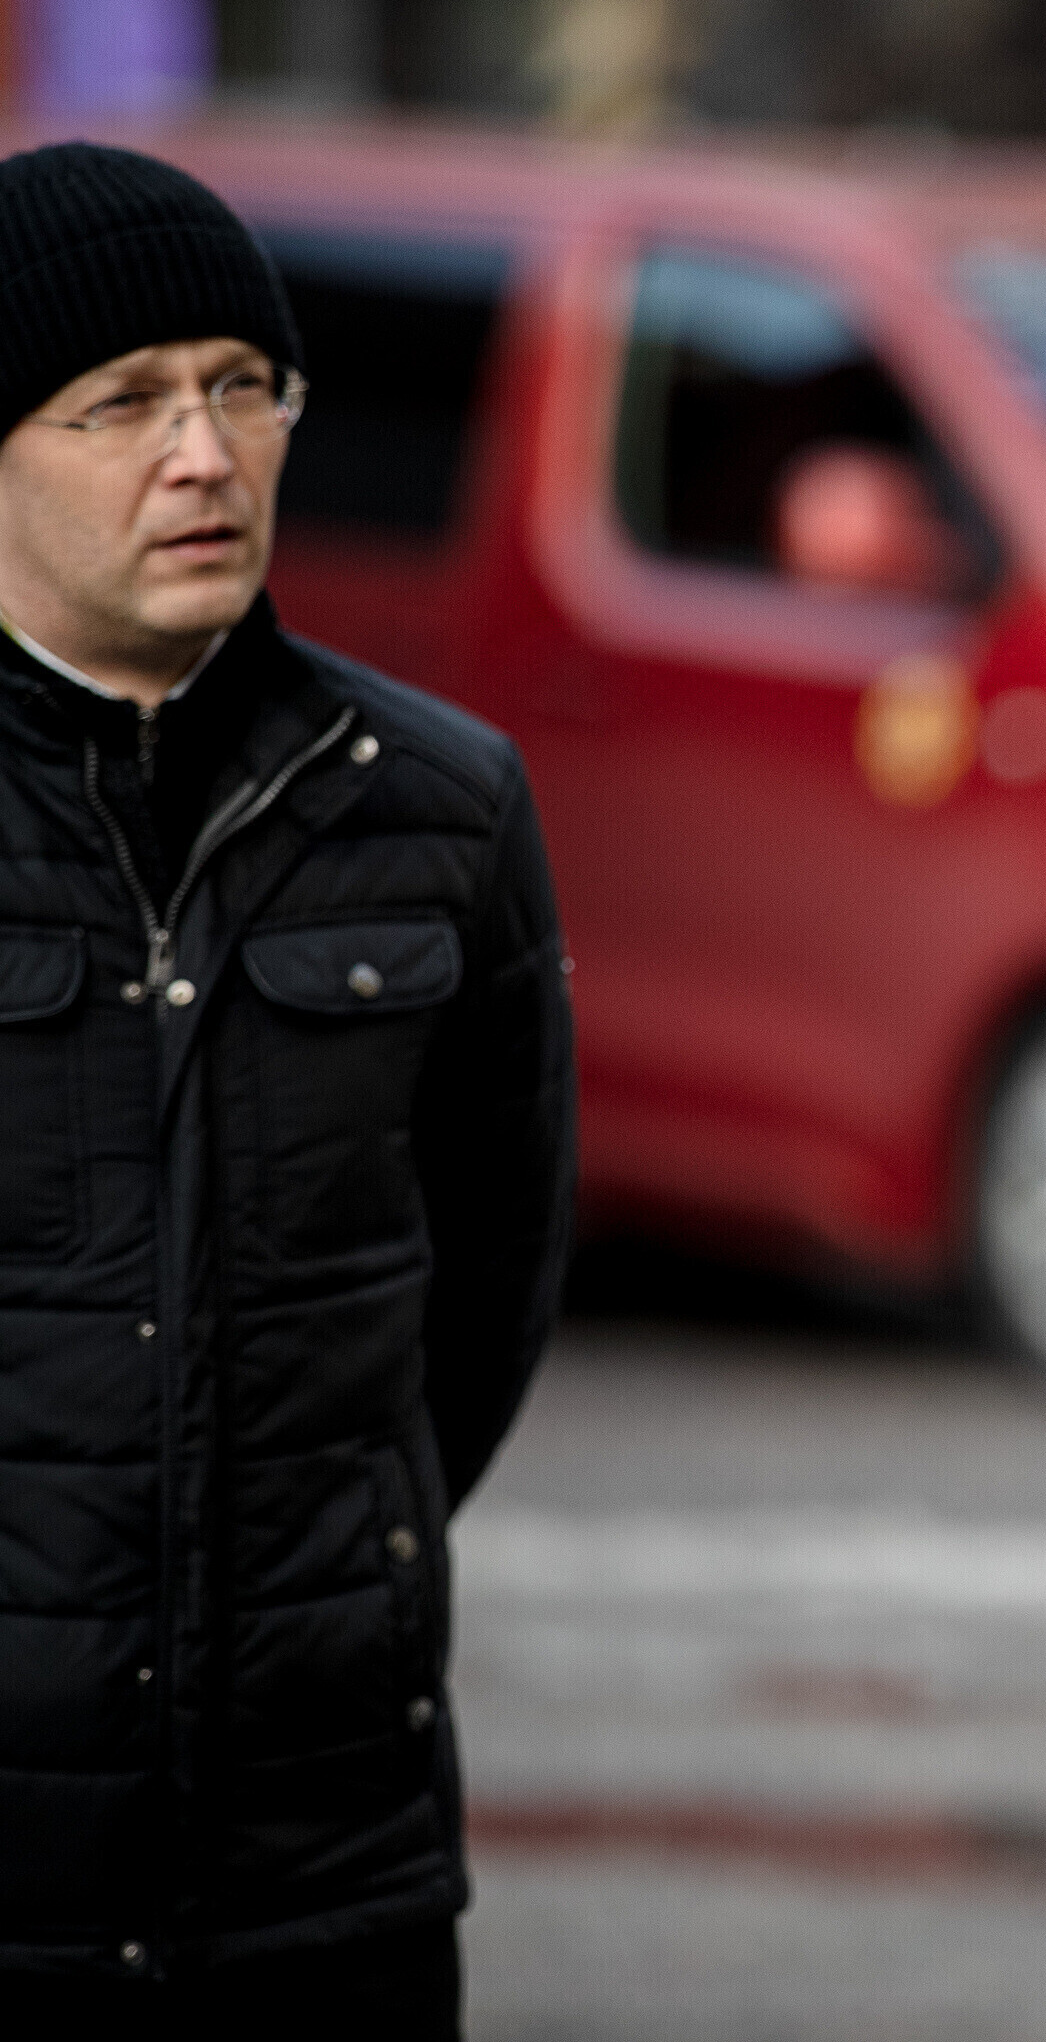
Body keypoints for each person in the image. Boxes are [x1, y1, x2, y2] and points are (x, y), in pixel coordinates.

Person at [0, 144, 573, 2037]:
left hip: (329, 1868)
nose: (204, 454)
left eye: (243, 387)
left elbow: (486, 1290)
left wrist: (330, 1560)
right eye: (124, 403)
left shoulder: (442, 812)